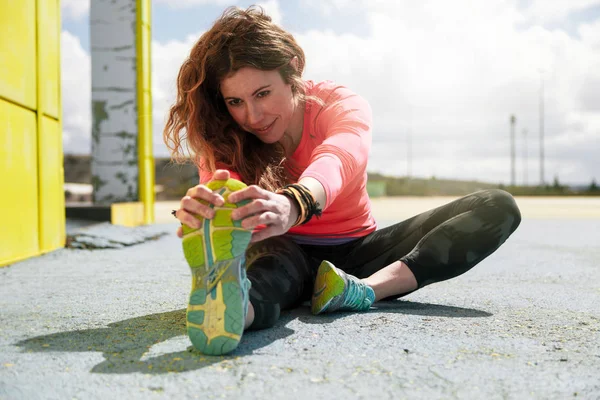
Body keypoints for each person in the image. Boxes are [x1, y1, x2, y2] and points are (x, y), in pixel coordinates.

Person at [164, 6, 521, 356]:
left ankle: (362, 291)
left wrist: (294, 203)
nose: (252, 116)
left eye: (262, 93)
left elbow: (338, 158)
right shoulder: (227, 133)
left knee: (498, 206)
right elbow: (228, 191)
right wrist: (209, 208)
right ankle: (236, 309)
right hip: (282, 248)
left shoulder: (339, 103)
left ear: (292, 70)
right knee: (269, 269)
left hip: (358, 254)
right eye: (235, 101)